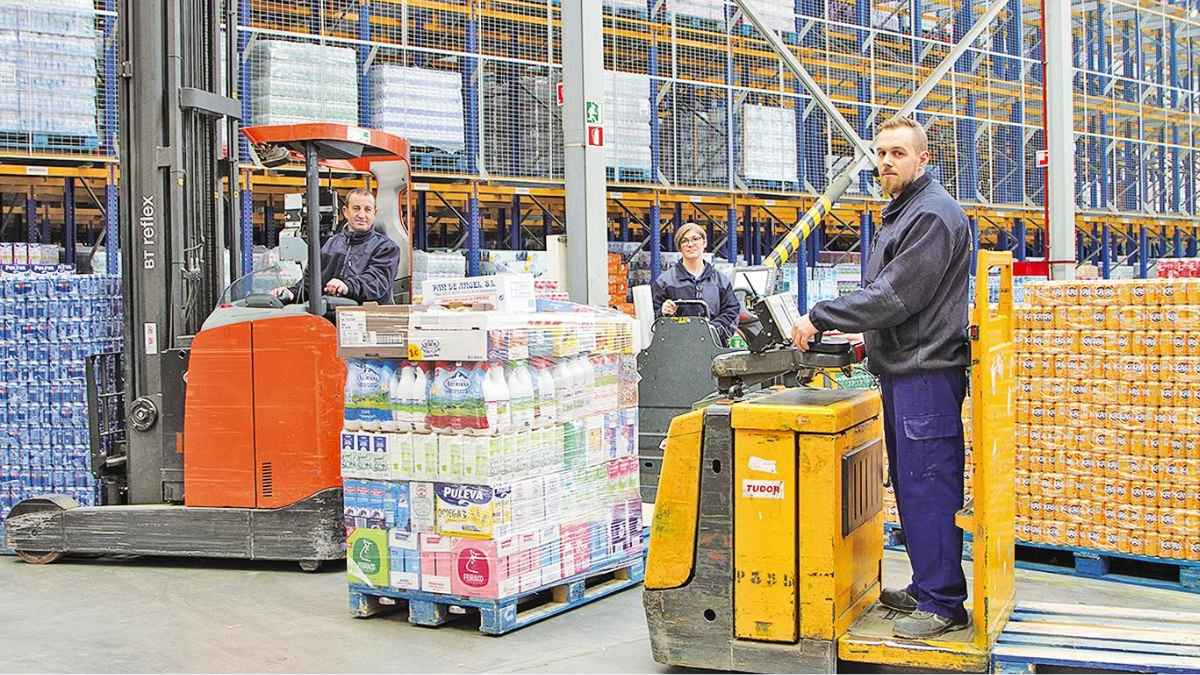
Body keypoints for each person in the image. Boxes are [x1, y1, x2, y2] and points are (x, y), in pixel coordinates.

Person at [791, 116, 972, 639]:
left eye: (897, 153)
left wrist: (822, 314)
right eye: (880, 153)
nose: (886, 162)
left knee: (928, 485)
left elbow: (897, 297)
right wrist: (859, 339)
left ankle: (943, 604)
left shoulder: (933, 215)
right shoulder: (906, 211)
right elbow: (896, 300)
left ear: (923, 159)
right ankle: (926, 584)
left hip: (926, 375)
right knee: (912, 487)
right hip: (904, 369)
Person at [272, 188, 401, 305]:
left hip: (368, 319)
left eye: (367, 209)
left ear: (374, 213)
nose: (362, 215)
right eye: (356, 208)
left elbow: (376, 282)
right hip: (332, 317)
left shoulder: (386, 248)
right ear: (345, 212)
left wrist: (347, 286)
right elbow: (310, 283)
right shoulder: (331, 244)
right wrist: (291, 293)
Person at [651, 222, 741, 345]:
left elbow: (732, 311)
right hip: (677, 347)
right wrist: (662, 311)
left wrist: (712, 330)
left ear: (704, 243)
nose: (690, 244)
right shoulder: (665, 282)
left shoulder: (720, 281)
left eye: (695, 239)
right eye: (684, 241)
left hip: (714, 347)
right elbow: (652, 319)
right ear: (679, 247)